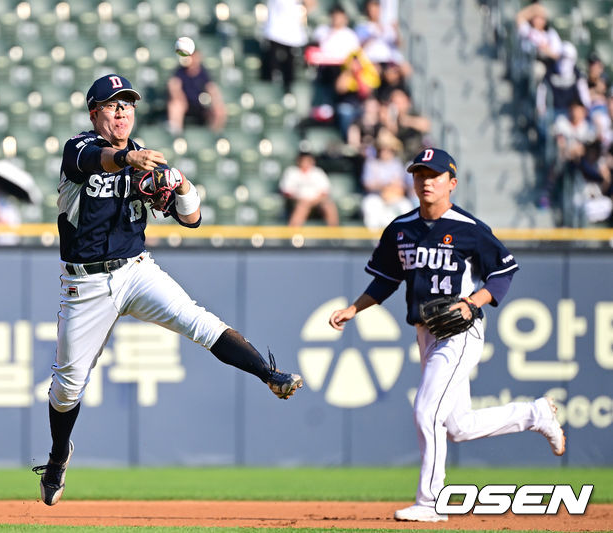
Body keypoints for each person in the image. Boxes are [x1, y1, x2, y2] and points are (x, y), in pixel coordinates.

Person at [32, 74, 303, 507]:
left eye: (127, 104)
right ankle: (58, 456)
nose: (121, 111)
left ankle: (270, 375)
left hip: (137, 270)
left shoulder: (149, 160)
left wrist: (181, 185)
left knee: (199, 320)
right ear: (94, 112)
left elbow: (191, 218)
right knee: (66, 388)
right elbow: (98, 161)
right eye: (111, 104)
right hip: (85, 283)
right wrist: (129, 162)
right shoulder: (78, 148)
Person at [328, 147, 565, 523]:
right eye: (420, 174)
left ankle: (429, 502)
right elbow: (387, 279)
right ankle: (533, 414)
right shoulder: (400, 228)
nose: (425, 181)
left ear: (451, 183)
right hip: (425, 332)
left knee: (426, 412)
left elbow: (503, 272)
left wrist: (473, 302)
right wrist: (354, 308)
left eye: (434, 175)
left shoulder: (470, 229)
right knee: (456, 425)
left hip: (460, 331)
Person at [166, 51, 227, 133]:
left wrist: (215, 101)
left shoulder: (203, 72)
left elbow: (211, 88)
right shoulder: (180, 71)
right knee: (175, 105)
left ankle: (214, 136)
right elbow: (174, 86)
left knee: (219, 109)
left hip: (201, 106)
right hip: (185, 104)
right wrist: (180, 98)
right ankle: (176, 135)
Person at [262, 0, 315, 93]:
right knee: (272, 68)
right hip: (274, 33)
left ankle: (288, 94)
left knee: (290, 71)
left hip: (293, 36)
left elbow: (311, 4)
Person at [279, 151, 339, 226]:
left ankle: (333, 234)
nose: (306, 163)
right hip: (298, 200)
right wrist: (301, 199)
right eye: (304, 160)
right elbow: (286, 192)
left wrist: (313, 201)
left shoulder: (318, 172)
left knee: (329, 206)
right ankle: (293, 234)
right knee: (302, 207)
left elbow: (325, 192)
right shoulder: (291, 172)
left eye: (308, 160)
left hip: (317, 200)